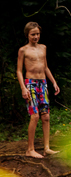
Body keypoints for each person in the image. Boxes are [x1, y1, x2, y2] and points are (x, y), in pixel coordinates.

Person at [16, 22, 60, 158]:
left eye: (37, 34)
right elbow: (18, 70)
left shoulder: (43, 48)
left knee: (45, 116)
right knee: (34, 116)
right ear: (27, 35)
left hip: (43, 83)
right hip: (30, 84)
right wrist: (23, 88)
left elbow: (45, 67)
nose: (36, 37)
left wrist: (53, 82)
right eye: (33, 34)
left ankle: (47, 147)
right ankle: (30, 149)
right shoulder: (23, 50)